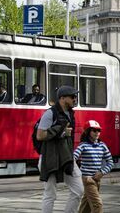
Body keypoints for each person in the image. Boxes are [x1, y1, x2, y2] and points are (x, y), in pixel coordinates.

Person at [36, 85, 84, 213]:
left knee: (78, 190)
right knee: (50, 194)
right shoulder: (50, 113)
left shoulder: (70, 114)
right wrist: (61, 132)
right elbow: (40, 135)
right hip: (50, 158)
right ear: (62, 98)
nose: (75, 99)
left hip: (67, 157)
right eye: (73, 97)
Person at [74, 120, 113, 213]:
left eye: (99, 130)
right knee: (97, 204)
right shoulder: (83, 145)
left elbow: (110, 162)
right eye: (94, 130)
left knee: (86, 206)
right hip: (87, 179)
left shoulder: (102, 145)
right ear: (88, 132)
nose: (97, 133)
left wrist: (102, 172)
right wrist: (77, 172)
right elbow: (73, 157)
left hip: (97, 179)